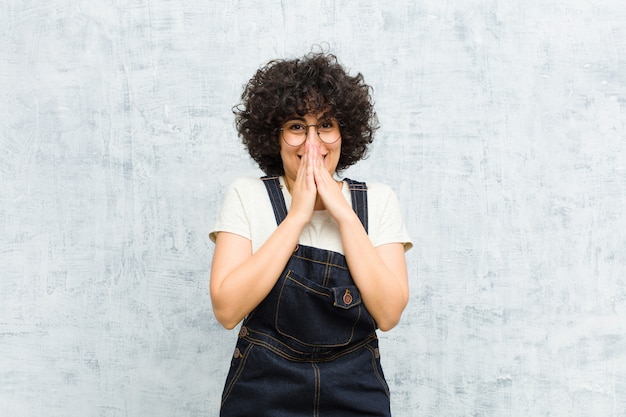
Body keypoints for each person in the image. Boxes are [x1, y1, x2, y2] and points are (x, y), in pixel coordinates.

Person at [209, 52, 412, 417]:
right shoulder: (247, 195)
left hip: (355, 393)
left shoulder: (377, 201)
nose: (313, 144)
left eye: (326, 125)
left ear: (344, 132)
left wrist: (344, 215)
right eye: (297, 126)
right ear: (275, 134)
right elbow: (226, 310)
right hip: (263, 393)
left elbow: (389, 313)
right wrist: (297, 215)